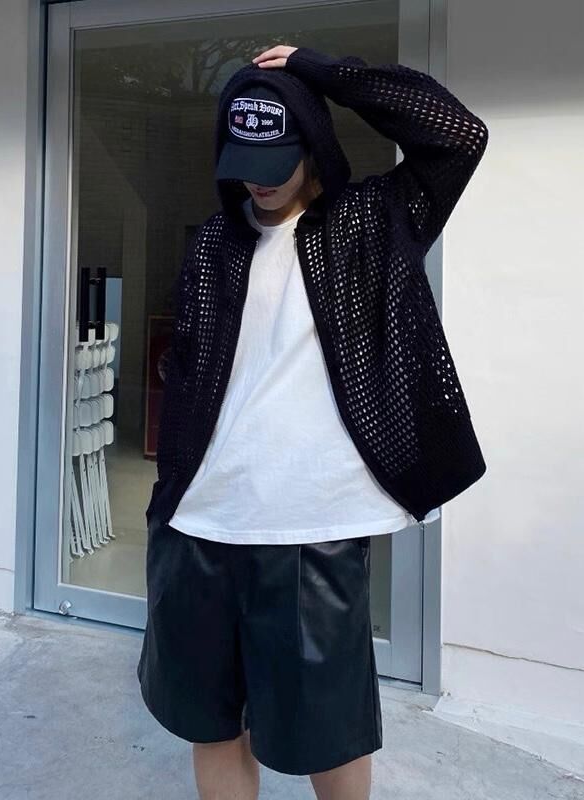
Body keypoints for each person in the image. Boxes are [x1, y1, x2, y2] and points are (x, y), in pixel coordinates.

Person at [137, 44, 488, 800]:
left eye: (276, 161)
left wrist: (320, 71)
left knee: (329, 731)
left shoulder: (371, 223)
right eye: (244, 163)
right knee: (210, 722)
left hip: (311, 525)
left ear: (314, 146)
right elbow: (194, 371)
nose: (258, 181)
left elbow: (456, 133)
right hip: (199, 522)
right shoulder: (215, 242)